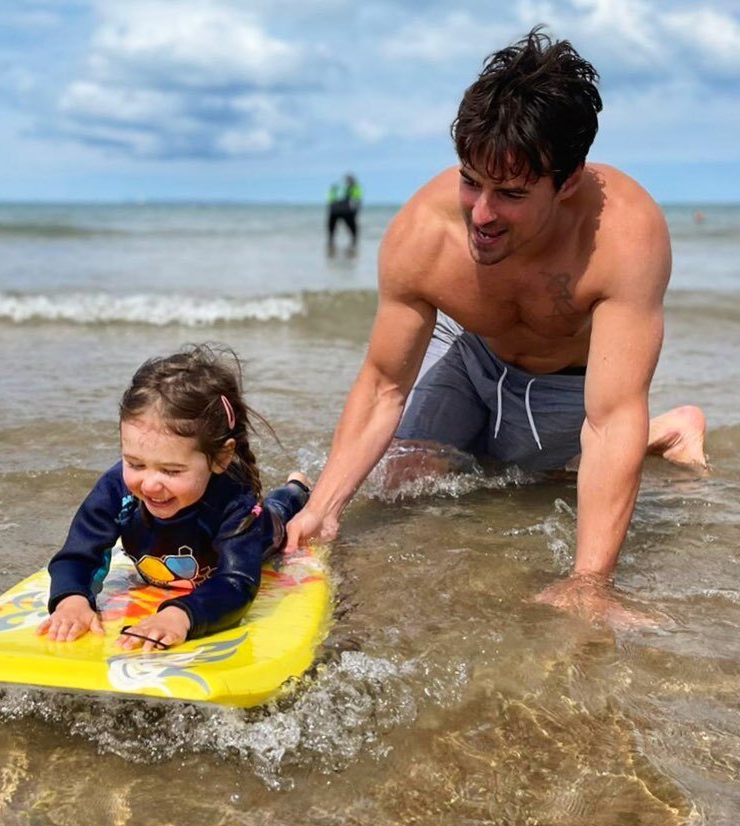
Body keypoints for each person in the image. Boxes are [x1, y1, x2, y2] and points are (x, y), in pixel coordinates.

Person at [286, 28, 707, 627]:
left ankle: (668, 428)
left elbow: (609, 418)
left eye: (509, 193)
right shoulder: (424, 236)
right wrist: (323, 509)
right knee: (404, 479)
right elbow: (384, 385)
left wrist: (589, 584)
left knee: (533, 481)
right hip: (476, 360)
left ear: (567, 183)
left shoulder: (624, 237)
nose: (480, 215)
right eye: (469, 181)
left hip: (570, 387)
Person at [38, 345, 311, 651]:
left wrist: (181, 615)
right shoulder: (116, 488)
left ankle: (296, 489)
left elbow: (237, 583)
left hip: (259, 536)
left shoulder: (236, 503)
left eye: (170, 470)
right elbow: (78, 554)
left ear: (221, 458)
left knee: (276, 515)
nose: (150, 484)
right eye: (136, 463)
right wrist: (72, 598)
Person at [327, 173, 363, 253]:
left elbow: (331, 198)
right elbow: (358, 201)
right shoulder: (352, 187)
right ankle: (352, 243)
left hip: (336, 209)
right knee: (351, 229)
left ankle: (332, 244)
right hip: (344, 210)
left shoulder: (339, 187)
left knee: (333, 230)